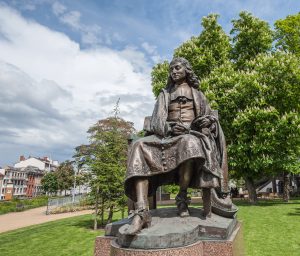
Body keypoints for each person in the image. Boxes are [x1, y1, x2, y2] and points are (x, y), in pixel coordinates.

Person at [123, 57, 231, 235]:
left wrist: (201, 124)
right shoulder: (164, 94)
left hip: (191, 135)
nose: (174, 71)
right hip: (166, 136)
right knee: (138, 145)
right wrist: (170, 127)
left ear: (186, 70)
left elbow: (210, 119)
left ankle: (182, 196)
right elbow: (156, 121)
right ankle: (142, 212)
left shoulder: (198, 95)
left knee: (190, 144)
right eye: (171, 69)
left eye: (177, 68)